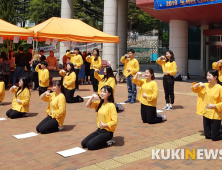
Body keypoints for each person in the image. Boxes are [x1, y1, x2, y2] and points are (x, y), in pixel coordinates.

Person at [81, 85, 117, 150]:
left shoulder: (111, 105)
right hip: (99, 130)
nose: (102, 93)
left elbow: (115, 121)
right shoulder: (100, 103)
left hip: (107, 132)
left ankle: (107, 143)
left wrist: (104, 125)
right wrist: (92, 97)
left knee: (90, 146)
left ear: (109, 94)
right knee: (83, 144)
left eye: (104, 92)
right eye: (101, 91)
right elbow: (87, 105)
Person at [192, 69, 222, 141]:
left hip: (215, 115)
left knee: (214, 137)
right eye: (207, 75)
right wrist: (199, 83)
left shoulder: (220, 88)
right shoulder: (205, 85)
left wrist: (213, 106)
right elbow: (193, 88)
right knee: (208, 136)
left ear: (215, 77)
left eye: (209, 76)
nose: (207, 77)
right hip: (206, 113)